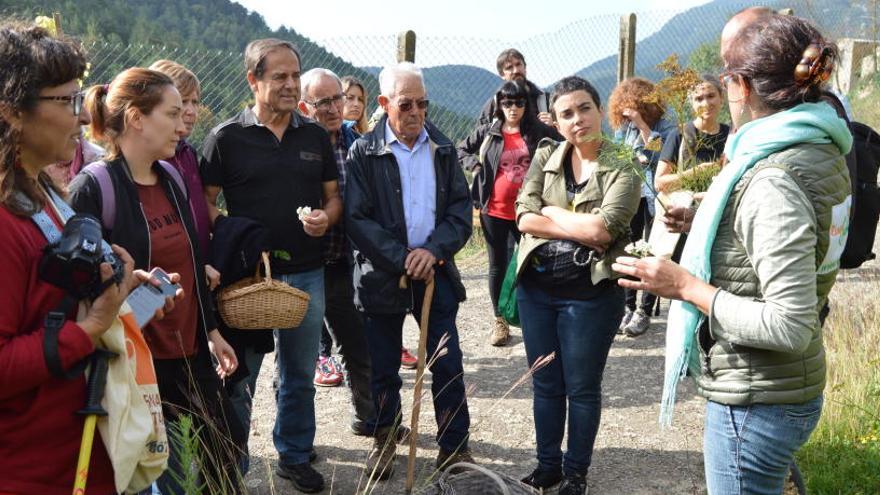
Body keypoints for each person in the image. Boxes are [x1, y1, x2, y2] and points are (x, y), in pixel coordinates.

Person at [613, 13, 852, 494]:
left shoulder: (772, 176)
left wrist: (683, 286)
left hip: (757, 396)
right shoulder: (817, 143)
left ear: (740, 87)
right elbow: (791, 239)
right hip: (783, 385)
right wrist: (707, 218)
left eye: (726, 75)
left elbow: (789, 322)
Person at [70, 68, 244, 494]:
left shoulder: (173, 179)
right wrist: (129, 288)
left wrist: (212, 330)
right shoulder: (93, 189)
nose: (184, 119)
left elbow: (193, 258)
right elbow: (79, 288)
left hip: (190, 354)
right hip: (137, 364)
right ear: (136, 118)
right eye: (171, 111)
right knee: (160, 476)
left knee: (223, 463)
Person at [0, 23, 143, 495]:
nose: (83, 117)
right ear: (11, 112)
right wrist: (86, 330)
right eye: (66, 101)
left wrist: (115, 290)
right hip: (31, 472)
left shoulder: (40, 191)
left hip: (74, 456)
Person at [200, 38, 341, 493]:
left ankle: (295, 456)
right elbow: (203, 204)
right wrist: (236, 234)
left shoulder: (314, 135)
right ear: (253, 80)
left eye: (294, 75)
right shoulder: (226, 138)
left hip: (305, 272)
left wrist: (325, 219)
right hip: (245, 283)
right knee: (240, 377)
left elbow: (333, 197)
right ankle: (230, 464)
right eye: (278, 76)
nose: (289, 84)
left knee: (300, 374)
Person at [345, 62, 475, 481]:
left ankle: (454, 448)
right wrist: (403, 257)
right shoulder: (363, 151)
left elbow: (459, 209)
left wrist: (433, 250)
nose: (417, 112)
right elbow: (357, 219)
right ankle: (385, 442)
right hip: (382, 276)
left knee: (447, 362)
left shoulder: (443, 148)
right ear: (384, 104)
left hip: (435, 275)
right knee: (382, 367)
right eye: (406, 104)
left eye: (423, 103)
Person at [514, 76, 640, 494]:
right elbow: (522, 217)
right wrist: (573, 224)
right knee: (546, 382)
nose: (577, 119)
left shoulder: (623, 161)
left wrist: (550, 211)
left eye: (584, 108)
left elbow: (604, 231)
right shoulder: (546, 154)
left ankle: (575, 473)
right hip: (537, 289)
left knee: (582, 387)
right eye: (566, 113)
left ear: (600, 110)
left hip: (590, 294)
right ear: (556, 120)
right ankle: (548, 465)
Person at [296, 67, 376, 434]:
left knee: (358, 345)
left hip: (345, 261)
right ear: (303, 106)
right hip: (303, 264)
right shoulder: (297, 146)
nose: (332, 108)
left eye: (337, 98)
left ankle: (370, 419)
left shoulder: (358, 143)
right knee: (296, 358)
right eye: (322, 101)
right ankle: (297, 445)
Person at [457, 80, 558, 346]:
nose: (513, 108)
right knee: (497, 265)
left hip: (528, 211)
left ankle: (535, 316)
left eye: (519, 102)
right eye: (507, 103)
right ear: (499, 105)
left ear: (527, 105)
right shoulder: (489, 131)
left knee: (533, 261)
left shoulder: (537, 131)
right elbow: (460, 150)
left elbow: (564, 144)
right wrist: (475, 167)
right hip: (494, 209)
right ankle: (500, 320)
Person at [608, 77, 676, 337]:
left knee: (652, 250)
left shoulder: (665, 128)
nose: (629, 110)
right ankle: (627, 306)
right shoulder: (623, 131)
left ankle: (643, 311)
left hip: (653, 197)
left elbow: (660, 157)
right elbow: (617, 157)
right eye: (625, 105)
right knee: (628, 248)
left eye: (635, 105)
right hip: (629, 196)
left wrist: (642, 125)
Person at [148, 60, 218, 285]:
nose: (190, 110)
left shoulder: (188, 153)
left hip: (200, 270)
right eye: (182, 102)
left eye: (195, 102)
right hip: (168, 276)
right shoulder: (151, 157)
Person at [477, 48, 557, 128]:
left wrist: (554, 126)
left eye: (518, 64)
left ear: (525, 68)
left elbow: (564, 136)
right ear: (502, 75)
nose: (516, 70)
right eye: (509, 67)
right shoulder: (493, 105)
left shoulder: (546, 100)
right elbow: (480, 135)